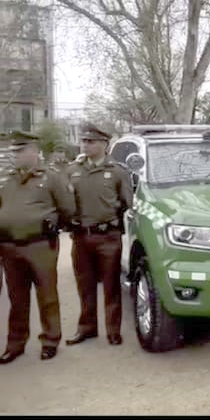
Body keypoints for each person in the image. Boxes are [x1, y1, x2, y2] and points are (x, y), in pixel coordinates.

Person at [0, 131, 76, 364]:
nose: (16, 156)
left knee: (47, 295)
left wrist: (53, 227)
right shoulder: (6, 178)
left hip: (40, 245)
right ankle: (16, 344)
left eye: (20, 151)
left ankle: (50, 340)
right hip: (10, 247)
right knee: (17, 298)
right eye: (14, 152)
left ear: (34, 152)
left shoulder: (51, 177)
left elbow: (68, 208)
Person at [66, 124, 133, 347]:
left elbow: (127, 203)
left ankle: (113, 330)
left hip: (108, 237)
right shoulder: (72, 170)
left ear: (104, 144)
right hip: (81, 237)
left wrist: (114, 225)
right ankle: (87, 328)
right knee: (84, 286)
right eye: (84, 141)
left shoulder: (117, 171)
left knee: (111, 285)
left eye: (90, 141)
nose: (85, 145)